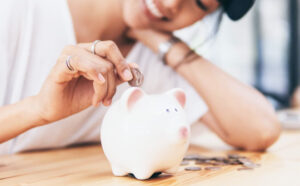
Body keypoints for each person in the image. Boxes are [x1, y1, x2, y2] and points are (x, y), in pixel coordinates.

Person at [0, 0, 280, 155]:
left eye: (198, 4)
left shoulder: (143, 66)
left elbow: (262, 129)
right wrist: (38, 110)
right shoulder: (18, 10)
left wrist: (171, 46)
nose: (172, 3)